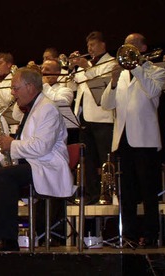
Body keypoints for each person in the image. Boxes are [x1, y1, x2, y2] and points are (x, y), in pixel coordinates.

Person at [0, 67, 74, 251]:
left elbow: (41, 147)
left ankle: (8, 239)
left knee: (5, 177)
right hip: (31, 165)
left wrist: (12, 144)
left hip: (46, 166)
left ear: (30, 87)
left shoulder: (48, 108)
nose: (12, 93)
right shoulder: (30, 108)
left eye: (15, 88)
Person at [101, 33, 165, 248]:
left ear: (143, 47)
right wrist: (112, 82)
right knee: (126, 191)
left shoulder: (155, 71)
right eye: (126, 46)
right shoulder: (120, 76)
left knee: (148, 191)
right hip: (123, 139)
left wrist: (137, 67)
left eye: (133, 46)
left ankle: (150, 234)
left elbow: (154, 91)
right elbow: (106, 104)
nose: (128, 48)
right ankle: (128, 234)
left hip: (145, 140)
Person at [69, 31, 114, 204]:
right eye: (88, 46)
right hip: (84, 118)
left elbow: (99, 82)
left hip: (103, 118)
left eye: (93, 45)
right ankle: (92, 194)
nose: (90, 48)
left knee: (105, 158)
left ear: (103, 45)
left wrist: (86, 65)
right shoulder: (86, 65)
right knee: (87, 159)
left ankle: (108, 193)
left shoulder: (111, 62)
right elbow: (74, 85)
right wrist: (73, 68)